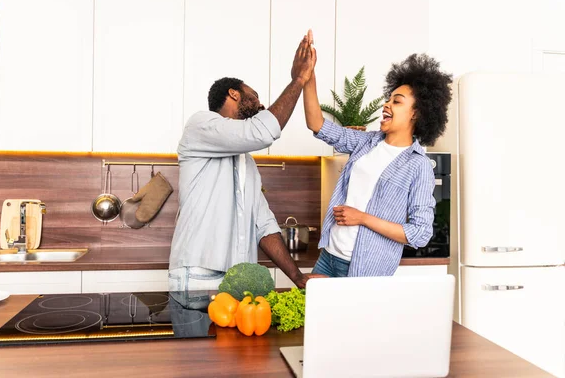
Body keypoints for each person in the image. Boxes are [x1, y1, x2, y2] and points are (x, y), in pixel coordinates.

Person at [169, 32, 325, 300]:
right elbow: (261, 132)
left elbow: (264, 226)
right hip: (198, 275)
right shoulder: (199, 125)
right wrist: (299, 80)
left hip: (238, 281)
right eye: (254, 96)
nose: (261, 104)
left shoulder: (247, 163)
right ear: (234, 93)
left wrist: (297, 277)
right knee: (194, 345)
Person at [304, 38, 452, 277]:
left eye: (397, 101)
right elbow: (317, 124)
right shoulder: (367, 142)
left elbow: (420, 234)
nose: (386, 105)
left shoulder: (418, 165)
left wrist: (362, 218)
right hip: (328, 256)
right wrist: (307, 76)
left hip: (362, 268)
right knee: (308, 314)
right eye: (388, 98)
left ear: (416, 113)